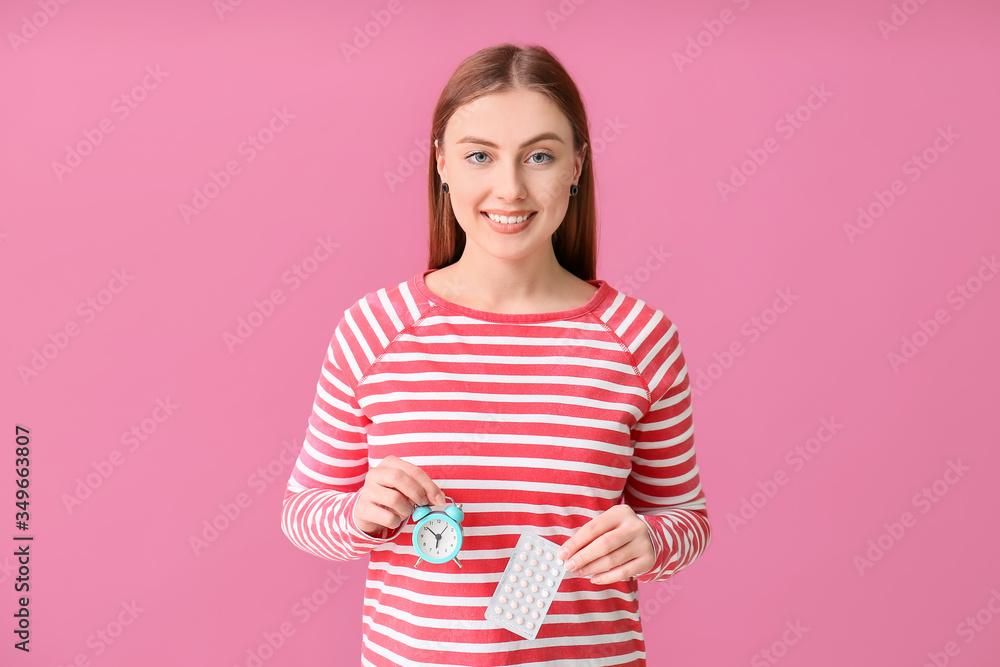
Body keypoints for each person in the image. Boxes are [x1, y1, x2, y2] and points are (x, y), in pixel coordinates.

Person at [280, 42, 712, 666]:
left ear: (576, 167)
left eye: (539, 156)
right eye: (480, 155)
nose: (509, 188)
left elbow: (684, 518)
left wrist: (653, 539)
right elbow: (303, 511)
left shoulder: (641, 338)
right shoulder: (374, 329)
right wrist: (358, 513)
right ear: (441, 163)